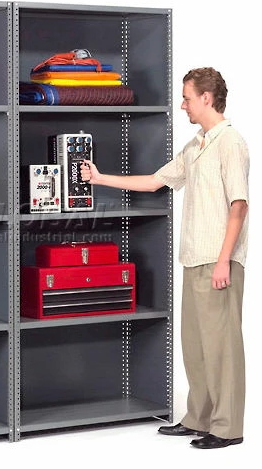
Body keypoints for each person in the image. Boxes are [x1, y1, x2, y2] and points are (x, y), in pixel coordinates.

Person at [80, 67, 249, 449]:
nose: (183, 105)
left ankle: (227, 428)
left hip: (218, 261)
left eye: (187, 98)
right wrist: (101, 178)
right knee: (196, 345)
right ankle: (199, 418)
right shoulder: (196, 146)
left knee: (222, 348)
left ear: (206, 98)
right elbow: (156, 181)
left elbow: (239, 205)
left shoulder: (230, 143)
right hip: (194, 258)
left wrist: (224, 260)